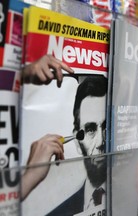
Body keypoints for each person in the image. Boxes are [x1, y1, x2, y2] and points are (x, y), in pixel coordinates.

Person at [21, 55, 108, 215]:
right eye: (90, 129)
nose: (101, 140)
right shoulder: (58, 213)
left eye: (106, 127)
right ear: (76, 140)